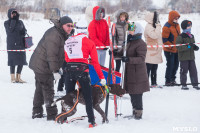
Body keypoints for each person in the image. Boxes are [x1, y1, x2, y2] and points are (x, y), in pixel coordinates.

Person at [29, 16, 74, 120]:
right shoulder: (54, 35)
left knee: (40, 89)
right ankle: (52, 115)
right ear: (62, 24)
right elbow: (52, 55)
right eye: (68, 25)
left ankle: (37, 112)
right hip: (43, 66)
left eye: (72, 26)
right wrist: (55, 70)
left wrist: (59, 67)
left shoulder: (60, 33)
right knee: (48, 90)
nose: (70, 28)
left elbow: (60, 53)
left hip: (41, 64)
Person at [63, 19, 106, 126]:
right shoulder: (89, 42)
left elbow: (67, 59)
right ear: (86, 30)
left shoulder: (68, 41)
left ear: (76, 30)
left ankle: (63, 118)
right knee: (88, 97)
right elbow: (95, 63)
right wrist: (101, 77)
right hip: (82, 71)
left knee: (69, 96)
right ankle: (91, 121)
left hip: (69, 71)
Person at [120, 22, 150, 119]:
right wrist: (115, 52)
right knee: (132, 93)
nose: (129, 31)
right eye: (129, 29)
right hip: (130, 72)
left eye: (132, 29)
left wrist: (129, 59)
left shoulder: (141, 43)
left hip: (138, 73)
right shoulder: (130, 41)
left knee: (137, 93)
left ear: (137, 30)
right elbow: (123, 53)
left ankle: (138, 113)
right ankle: (134, 111)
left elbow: (141, 58)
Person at [4, 8, 27, 83]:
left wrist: (23, 32)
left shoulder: (20, 22)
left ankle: (18, 77)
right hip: (12, 45)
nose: (14, 14)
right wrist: (13, 20)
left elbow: (24, 30)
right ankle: (13, 78)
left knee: (21, 61)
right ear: (9, 14)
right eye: (13, 13)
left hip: (20, 44)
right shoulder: (6, 23)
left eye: (15, 13)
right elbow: (10, 31)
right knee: (12, 61)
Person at [176, 20, 200, 90]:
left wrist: (195, 47)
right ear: (184, 27)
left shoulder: (191, 36)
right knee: (184, 71)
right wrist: (188, 47)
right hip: (183, 58)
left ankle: (195, 84)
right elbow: (178, 47)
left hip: (191, 57)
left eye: (190, 25)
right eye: (188, 26)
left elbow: (192, 44)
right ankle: (184, 84)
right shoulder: (181, 36)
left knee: (193, 71)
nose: (190, 27)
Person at [144, 11, 163, 87]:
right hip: (150, 52)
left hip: (155, 51)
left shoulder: (153, 25)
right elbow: (154, 35)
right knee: (148, 68)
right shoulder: (149, 27)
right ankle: (145, 83)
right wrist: (158, 26)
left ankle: (154, 83)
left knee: (154, 68)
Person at [162, 10, 181, 86]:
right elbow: (164, 40)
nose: (177, 20)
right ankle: (168, 80)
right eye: (175, 18)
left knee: (176, 64)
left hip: (177, 49)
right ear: (171, 18)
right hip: (169, 50)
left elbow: (179, 36)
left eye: (177, 18)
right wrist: (172, 46)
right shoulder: (167, 27)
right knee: (170, 64)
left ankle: (173, 79)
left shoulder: (177, 25)